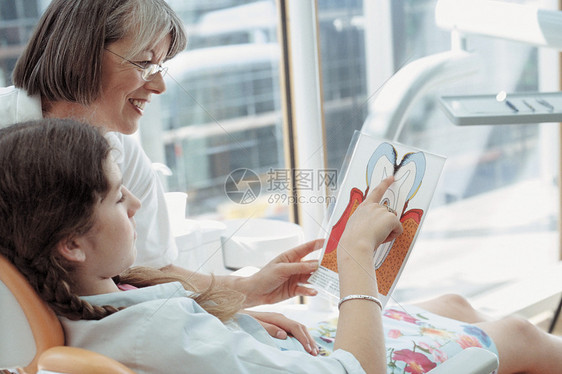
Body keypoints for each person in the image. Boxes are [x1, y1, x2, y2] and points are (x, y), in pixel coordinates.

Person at [2, 119, 562, 374]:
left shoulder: (77, 294)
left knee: (455, 306)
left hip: (291, 354)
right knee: (516, 335)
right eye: (115, 196)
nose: (135, 204)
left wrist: (243, 297)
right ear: (72, 242)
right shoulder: (156, 334)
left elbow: (163, 325)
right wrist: (356, 258)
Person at [0, 0, 321, 345]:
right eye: (144, 63)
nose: (159, 86)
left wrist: (242, 295)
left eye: (162, 66)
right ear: (82, 55)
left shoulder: (120, 153)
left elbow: (146, 273)